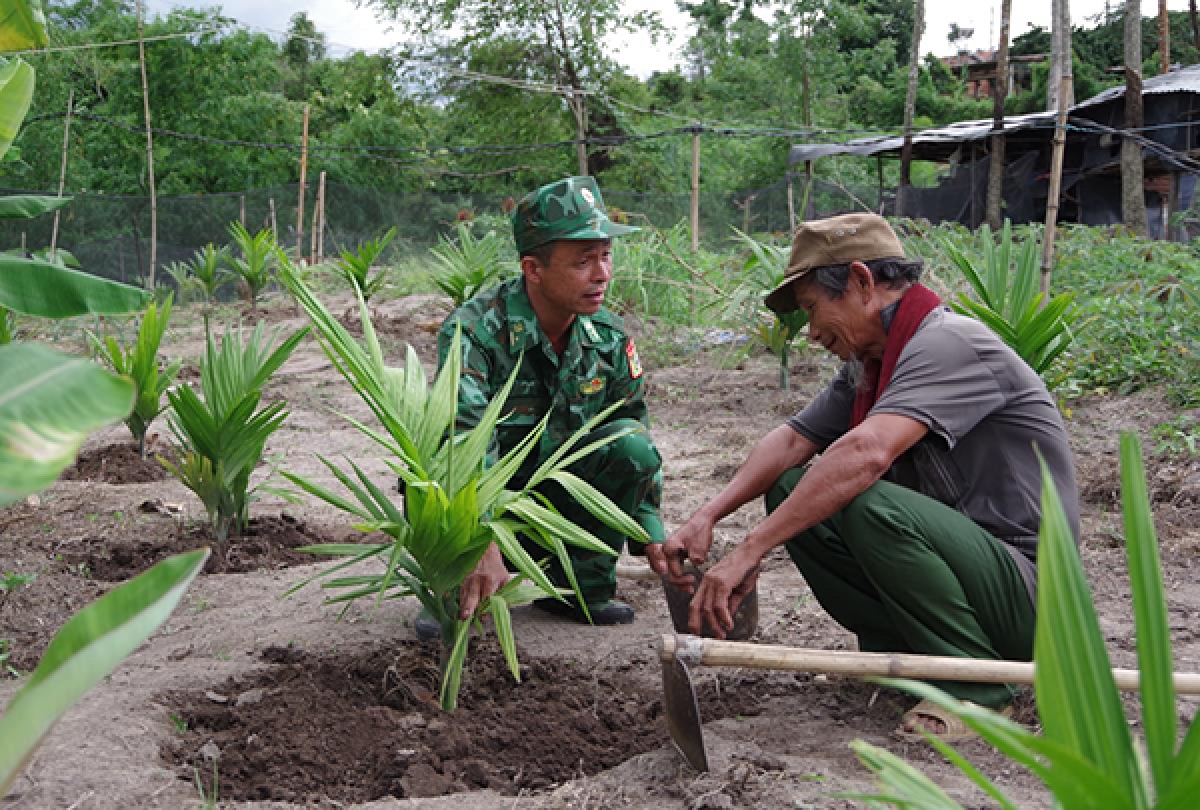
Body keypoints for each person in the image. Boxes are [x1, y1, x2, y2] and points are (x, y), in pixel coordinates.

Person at [649, 212, 1080, 741]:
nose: (810, 331)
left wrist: (750, 551)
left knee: (860, 498)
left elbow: (867, 453)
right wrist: (708, 515)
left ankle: (978, 692)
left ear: (860, 282)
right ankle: (914, 662)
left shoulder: (947, 344)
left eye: (813, 308)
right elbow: (791, 442)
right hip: (977, 582)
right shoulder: (872, 364)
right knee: (794, 489)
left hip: (1033, 597)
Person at [416, 176, 665, 640]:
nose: (602, 274)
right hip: (487, 503)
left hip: (558, 503)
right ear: (533, 269)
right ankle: (455, 585)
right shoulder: (475, 331)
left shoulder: (608, 337)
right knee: (432, 465)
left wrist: (650, 530)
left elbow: (631, 429)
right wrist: (479, 538)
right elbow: (462, 438)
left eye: (606, 255)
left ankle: (577, 587)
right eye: (583, 261)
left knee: (630, 445)